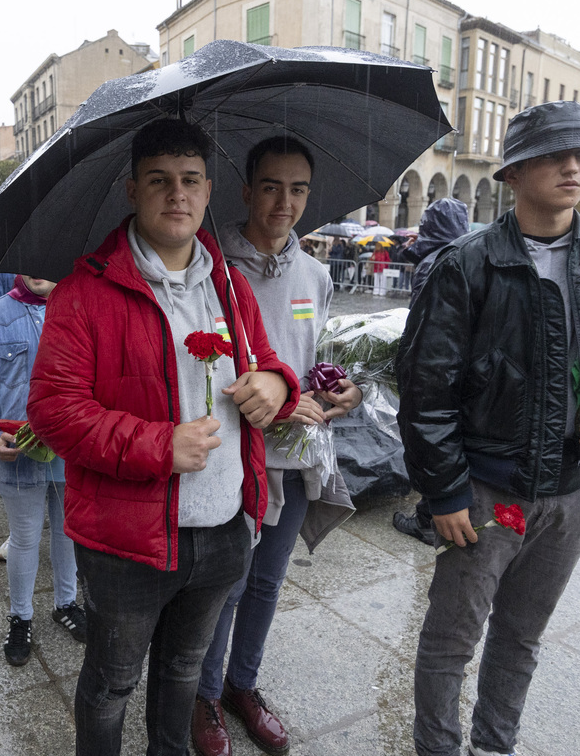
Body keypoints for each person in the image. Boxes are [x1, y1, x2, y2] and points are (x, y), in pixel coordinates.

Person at [396, 101, 580, 756]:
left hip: (572, 497)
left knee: (520, 640)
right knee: (449, 643)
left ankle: (495, 747)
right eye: (556, 153)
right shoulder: (465, 266)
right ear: (514, 172)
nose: (573, 165)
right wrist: (443, 492)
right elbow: (425, 387)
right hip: (486, 498)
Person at [27, 118, 300, 756]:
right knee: (113, 682)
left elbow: (266, 362)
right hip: (128, 542)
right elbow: (53, 409)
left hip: (225, 528)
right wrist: (158, 446)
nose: (176, 195)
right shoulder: (86, 291)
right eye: (159, 181)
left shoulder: (230, 284)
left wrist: (279, 385)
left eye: (190, 181)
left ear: (209, 192)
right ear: (132, 190)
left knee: (183, 671)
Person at [195, 137, 363, 756]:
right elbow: (204, 366)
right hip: (236, 458)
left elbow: (310, 357)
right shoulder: (214, 269)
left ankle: (244, 685)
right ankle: (205, 696)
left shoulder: (315, 274)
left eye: (297, 189)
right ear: (245, 191)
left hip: (296, 460)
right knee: (228, 584)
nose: (284, 202)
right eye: (271, 186)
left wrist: (339, 387)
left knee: (268, 582)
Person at [0, 273, 88, 665]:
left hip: (72, 451)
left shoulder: (81, 310)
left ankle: (66, 602)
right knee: (24, 537)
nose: (38, 271)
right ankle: (21, 616)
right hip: (17, 452)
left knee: (69, 532)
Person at [391, 198, 470, 547]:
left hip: (437, 367)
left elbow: (426, 326)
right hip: (461, 367)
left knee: (430, 433)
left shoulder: (435, 263)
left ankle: (427, 519)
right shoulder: (466, 254)